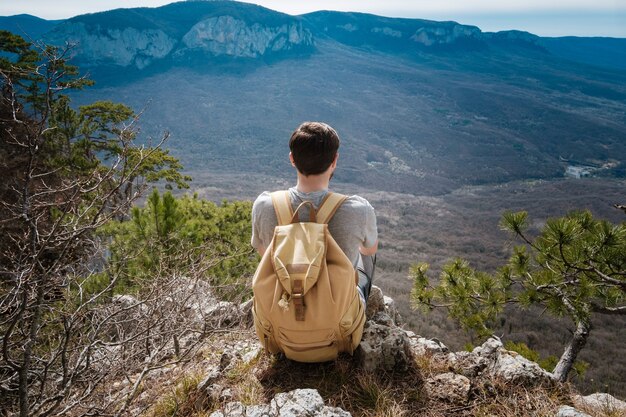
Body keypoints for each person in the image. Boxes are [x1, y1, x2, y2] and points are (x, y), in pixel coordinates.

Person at [251, 121, 378, 304]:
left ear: (292, 159)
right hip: (336, 317)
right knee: (363, 252)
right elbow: (369, 250)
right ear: (334, 160)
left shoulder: (264, 205)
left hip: (280, 311)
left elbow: (265, 254)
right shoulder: (359, 209)